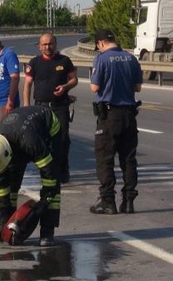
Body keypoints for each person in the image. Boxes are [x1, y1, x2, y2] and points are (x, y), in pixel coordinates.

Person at [0, 105, 62, 246]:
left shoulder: (29, 140)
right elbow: (0, 187)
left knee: (52, 180)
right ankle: (3, 226)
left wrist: (45, 201)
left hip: (48, 131)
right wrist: (4, 220)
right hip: (17, 135)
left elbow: (48, 171)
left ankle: (47, 231)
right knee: (10, 182)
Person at [89, 29, 143, 214]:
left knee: (105, 159)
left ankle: (107, 201)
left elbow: (94, 87)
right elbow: (137, 87)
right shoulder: (131, 58)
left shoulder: (102, 58)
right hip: (129, 115)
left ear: (100, 43)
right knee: (128, 159)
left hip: (109, 116)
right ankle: (128, 201)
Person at [22, 33, 78, 183]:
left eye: (50, 44)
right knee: (42, 141)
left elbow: (74, 79)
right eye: (44, 44)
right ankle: (47, 172)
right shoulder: (34, 62)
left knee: (62, 140)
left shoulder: (64, 61)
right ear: (39, 46)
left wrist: (65, 87)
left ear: (55, 44)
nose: (47, 47)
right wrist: (26, 106)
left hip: (60, 107)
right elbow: (27, 84)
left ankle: (62, 170)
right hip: (40, 108)